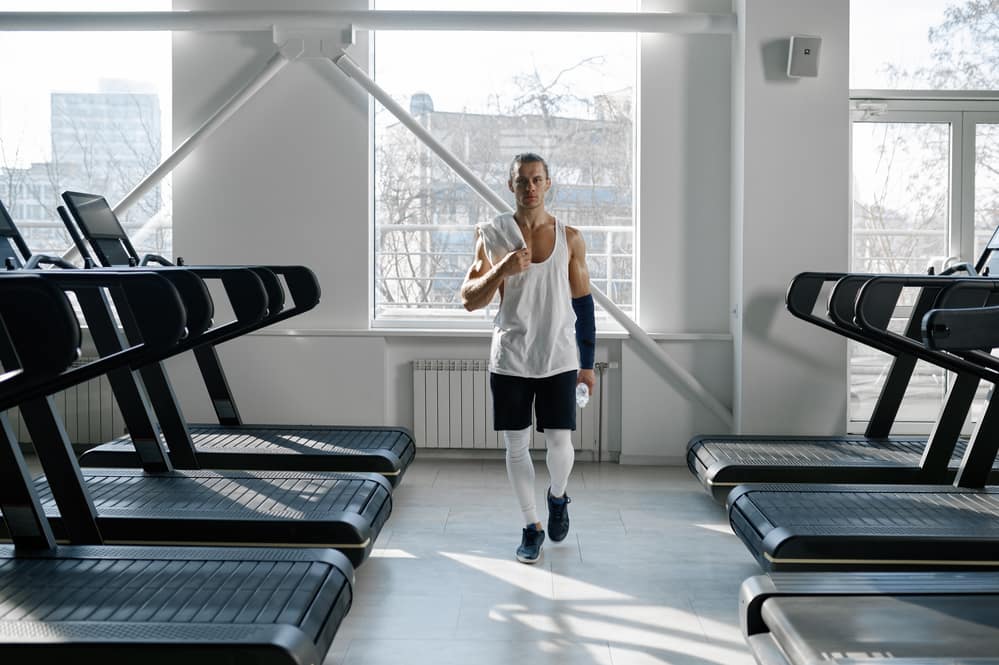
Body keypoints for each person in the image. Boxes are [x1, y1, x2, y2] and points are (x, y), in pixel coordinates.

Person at [460, 152, 596, 564]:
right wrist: (502, 267)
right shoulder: (491, 233)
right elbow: (469, 300)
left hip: (558, 355)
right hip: (511, 357)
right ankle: (531, 525)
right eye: (522, 181)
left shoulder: (570, 237)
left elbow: (584, 305)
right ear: (511, 186)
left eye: (537, 180)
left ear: (548, 184)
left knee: (560, 442)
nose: (531, 187)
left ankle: (557, 496)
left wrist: (587, 365)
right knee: (516, 446)